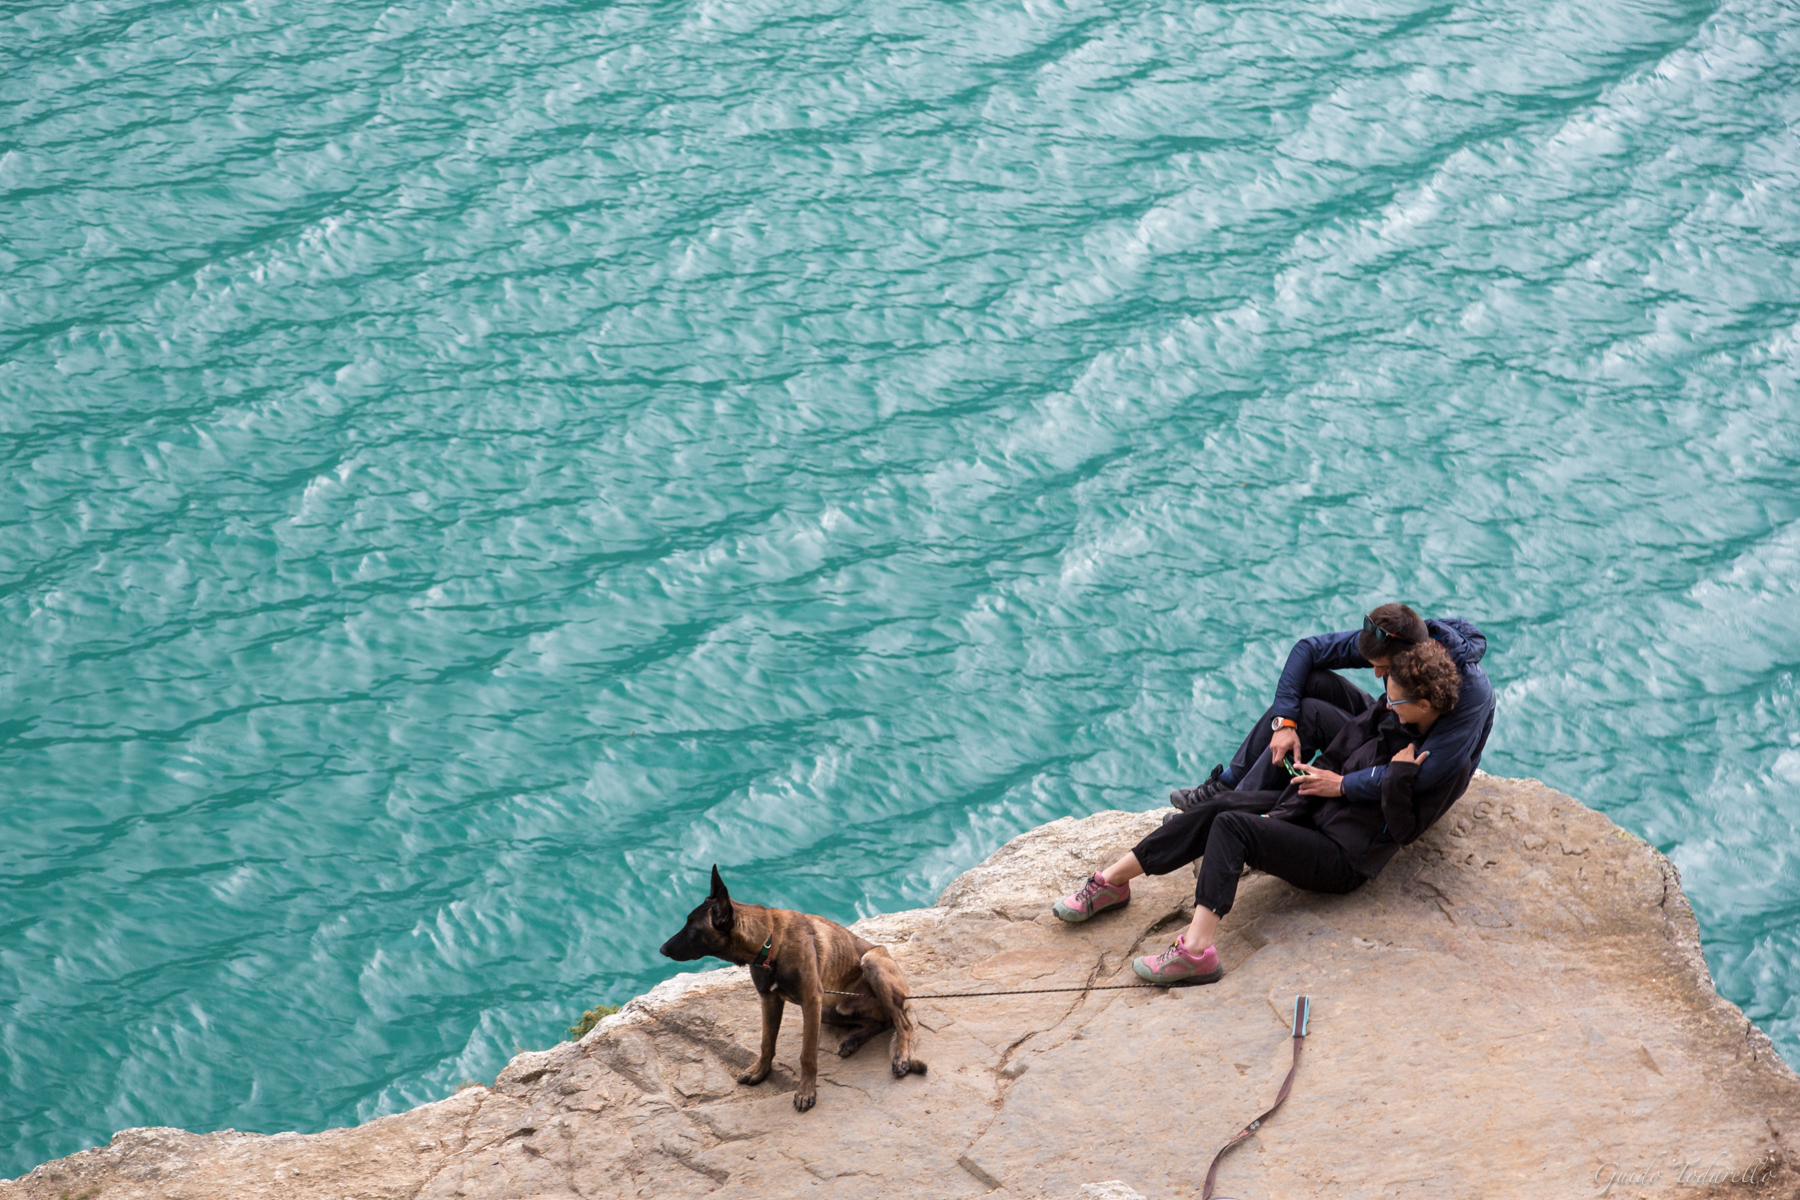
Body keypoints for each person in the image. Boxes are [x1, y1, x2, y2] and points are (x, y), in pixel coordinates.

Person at [1051, 637, 1493, 985]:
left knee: (1232, 828)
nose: (1384, 701)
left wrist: (1394, 781)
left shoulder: (1434, 763)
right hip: (1313, 811)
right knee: (1221, 806)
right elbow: (1340, 755)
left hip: (1341, 856)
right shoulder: (1391, 712)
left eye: (1394, 700)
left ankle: (1197, 953)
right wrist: (1301, 791)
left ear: (1426, 706)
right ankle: (1112, 883)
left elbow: (1404, 831)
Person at [1171, 602, 1492, 806]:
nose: (1376, 672)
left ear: (1410, 661)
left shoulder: (1471, 693)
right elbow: (1307, 650)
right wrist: (1284, 721)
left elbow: (1428, 774)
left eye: (1383, 668)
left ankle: (1226, 810)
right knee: (1312, 686)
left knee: (1310, 715)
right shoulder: (1399, 640)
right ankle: (1226, 785)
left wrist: (1341, 784)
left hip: (1418, 763)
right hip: (1396, 718)